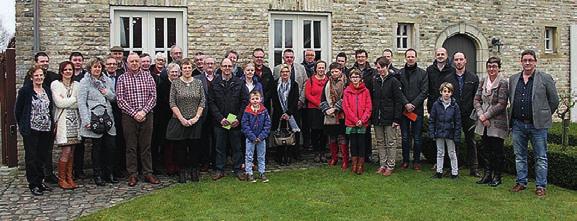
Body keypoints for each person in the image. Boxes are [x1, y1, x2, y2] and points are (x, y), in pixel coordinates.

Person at [509, 50, 559, 197]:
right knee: (519, 156)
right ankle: (521, 182)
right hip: (518, 124)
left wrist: (543, 115)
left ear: (535, 62)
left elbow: (554, 100)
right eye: (525, 60)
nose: (527, 63)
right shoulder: (513, 79)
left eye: (530, 60)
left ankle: (540, 186)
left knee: (541, 157)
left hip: (538, 126)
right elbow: (512, 100)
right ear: (521, 62)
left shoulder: (545, 78)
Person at [116, 52, 160, 187]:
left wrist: (143, 112)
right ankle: (133, 174)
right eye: (131, 62)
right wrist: (134, 113)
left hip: (147, 115)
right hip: (129, 117)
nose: (134, 64)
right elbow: (120, 99)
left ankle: (147, 172)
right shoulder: (122, 78)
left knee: (146, 146)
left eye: (136, 61)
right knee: (131, 146)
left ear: (140, 62)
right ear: (127, 64)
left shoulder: (148, 77)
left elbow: (153, 97)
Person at [77, 57, 118, 186]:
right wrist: (86, 120)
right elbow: (81, 102)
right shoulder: (85, 82)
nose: (97, 69)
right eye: (95, 67)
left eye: (99, 67)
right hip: (94, 118)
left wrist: (106, 92)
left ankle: (109, 173)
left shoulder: (106, 80)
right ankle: (98, 175)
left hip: (108, 118)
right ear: (90, 68)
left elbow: (113, 97)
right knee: (97, 148)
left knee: (110, 147)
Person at [166, 58, 205, 183]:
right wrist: (181, 118)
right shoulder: (175, 83)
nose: (187, 70)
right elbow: (172, 102)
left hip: (195, 120)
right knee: (180, 148)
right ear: (181, 70)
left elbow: (202, 101)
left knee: (195, 147)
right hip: (179, 120)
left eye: (189, 67)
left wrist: (196, 118)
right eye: (184, 68)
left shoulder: (198, 83)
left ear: (191, 69)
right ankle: (182, 171)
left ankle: (194, 170)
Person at [16, 66, 54, 196]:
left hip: (45, 128)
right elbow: (18, 110)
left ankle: (40, 181)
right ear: (31, 77)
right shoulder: (25, 91)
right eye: (36, 75)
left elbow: (50, 109)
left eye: (41, 75)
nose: (39, 78)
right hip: (31, 129)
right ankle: (33, 184)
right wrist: (22, 126)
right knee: (31, 158)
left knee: (42, 156)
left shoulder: (47, 90)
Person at [209, 58, 248, 181]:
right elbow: (211, 102)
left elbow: (244, 101)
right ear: (220, 67)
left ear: (233, 67)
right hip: (220, 121)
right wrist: (220, 118)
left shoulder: (239, 82)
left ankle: (238, 169)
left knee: (237, 147)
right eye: (224, 66)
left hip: (234, 121)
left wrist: (238, 118)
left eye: (229, 66)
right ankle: (219, 169)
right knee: (219, 147)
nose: (227, 68)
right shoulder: (214, 83)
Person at [473, 57, 509, 187]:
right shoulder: (483, 81)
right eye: (489, 66)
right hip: (483, 121)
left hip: (497, 121)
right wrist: (481, 115)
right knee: (485, 149)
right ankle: (487, 174)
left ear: (499, 68)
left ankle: (497, 176)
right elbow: (476, 100)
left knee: (497, 150)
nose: (491, 69)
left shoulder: (503, 83)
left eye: (494, 66)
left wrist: (487, 115)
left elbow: (501, 104)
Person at [442, 52, 480, 177]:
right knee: (453, 142)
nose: (459, 62)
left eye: (461, 59)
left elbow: (477, 97)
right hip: (453, 114)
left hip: (469, 115)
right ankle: (453, 168)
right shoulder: (448, 78)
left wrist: (475, 113)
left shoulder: (473, 78)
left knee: (471, 141)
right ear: (453, 62)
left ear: (465, 61)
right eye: (456, 59)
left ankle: (474, 169)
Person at [51, 61, 81, 189]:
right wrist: (73, 99)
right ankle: (62, 178)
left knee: (72, 152)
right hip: (63, 121)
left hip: (74, 121)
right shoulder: (56, 84)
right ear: (61, 71)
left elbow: (79, 103)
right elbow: (59, 103)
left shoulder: (77, 85)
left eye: (70, 69)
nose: (68, 72)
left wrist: (68, 100)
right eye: (66, 69)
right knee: (66, 151)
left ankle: (69, 177)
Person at [273, 49, 308, 161]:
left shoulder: (298, 73)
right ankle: (281, 155)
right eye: (287, 57)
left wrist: (292, 109)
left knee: (295, 131)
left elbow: (304, 85)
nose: (289, 59)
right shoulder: (276, 73)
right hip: (280, 111)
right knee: (281, 132)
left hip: (294, 109)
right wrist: (281, 112)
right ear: (283, 58)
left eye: (291, 57)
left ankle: (295, 153)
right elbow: (274, 97)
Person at [371, 57, 403, 176]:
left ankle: (390, 165)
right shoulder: (375, 80)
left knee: (391, 142)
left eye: (382, 67)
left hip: (390, 117)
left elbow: (398, 101)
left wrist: (396, 119)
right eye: (378, 68)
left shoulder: (394, 81)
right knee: (380, 141)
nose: (380, 70)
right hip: (377, 116)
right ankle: (382, 164)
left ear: (387, 66)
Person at [398, 48, 428, 171]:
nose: (410, 58)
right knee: (405, 137)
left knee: (417, 137)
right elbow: (398, 91)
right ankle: (405, 160)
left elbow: (425, 91)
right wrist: (406, 104)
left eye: (412, 56)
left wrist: (413, 104)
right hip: (404, 111)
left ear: (416, 58)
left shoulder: (423, 73)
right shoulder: (400, 73)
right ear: (405, 58)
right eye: (408, 56)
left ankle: (416, 161)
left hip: (417, 111)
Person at [31, 52, 58, 184]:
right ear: (36, 62)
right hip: (34, 124)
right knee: (35, 153)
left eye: (46, 61)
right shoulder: (29, 80)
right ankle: (36, 179)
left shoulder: (53, 76)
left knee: (47, 150)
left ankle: (48, 174)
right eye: (42, 61)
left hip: (48, 120)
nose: (45, 63)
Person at [429, 82, 461, 179]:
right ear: (441, 92)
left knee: (452, 153)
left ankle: (454, 172)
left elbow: (458, 122)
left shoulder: (454, 106)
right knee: (440, 152)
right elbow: (432, 120)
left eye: (449, 91)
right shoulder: (436, 105)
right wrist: (432, 132)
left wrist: (457, 135)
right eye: (444, 91)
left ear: (451, 93)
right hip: (439, 132)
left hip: (450, 133)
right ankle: (439, 171)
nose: (446, 93)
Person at [343, 69, 372, 174]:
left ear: (360, 78)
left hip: (362, 122)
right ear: (350, 78)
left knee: (361, 143)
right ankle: (354, 163)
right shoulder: (347, 91)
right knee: (353, 143)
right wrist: (355, 120)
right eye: (353, 77)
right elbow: (346, 107)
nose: (355, 79)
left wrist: (362, 120)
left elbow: (369, 107)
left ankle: (360, 164)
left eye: (357, 77)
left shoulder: (366, 91)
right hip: (351, 122)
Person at [272, 64, 300, 166]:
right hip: (279, 114)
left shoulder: (294, 84)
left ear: (290, 73)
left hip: (291, 114)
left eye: (287, 72)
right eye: (283, 72)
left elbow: (295, 99)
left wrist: (288, 113)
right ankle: (279, 156)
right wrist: (281, 113)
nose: (285, 73)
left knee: (291, 135)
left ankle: (289, 156)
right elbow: (274, 100)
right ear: (280, 73)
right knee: (280, 135)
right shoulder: (275, 84)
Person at [320, 62, 347, 170]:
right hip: (330, 115)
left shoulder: (346, 82)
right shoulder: (327, 83)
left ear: (341, 71)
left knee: (342, 137)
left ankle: (345, 160)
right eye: (332, 72)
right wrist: (326, 109)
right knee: (332, 137)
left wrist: (335, 108)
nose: (334, 73)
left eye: (336, 71)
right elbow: (322, 98)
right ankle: (334, 158)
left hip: (342, 114)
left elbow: (346, 97)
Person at [241, 91, 272, 183]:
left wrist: (261, 136)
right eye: (253, 99)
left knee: (261, 156)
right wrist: (253, 137)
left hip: (261, 138)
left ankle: (262, 172)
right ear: (250, 100)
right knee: (249, 156)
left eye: (257, 99)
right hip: (250, 138)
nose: (255, 101)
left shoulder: (264, 111)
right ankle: (249, 173)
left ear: (261, 99)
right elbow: (245, 125)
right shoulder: (247, 111)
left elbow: (267, 125)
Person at [352, 49, 376, 163]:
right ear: (356, 58)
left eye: (363, 56)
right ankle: (356, 156)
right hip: (354, 104)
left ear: (366, 58)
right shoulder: (352, 71)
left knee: (366, 131)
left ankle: (367, 154)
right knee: (355, 133)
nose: (361, 58)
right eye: (359, 57)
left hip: (367, 103)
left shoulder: (372, 72)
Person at [158, 63, 181, 175]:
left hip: (180, 118)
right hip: (166, 118)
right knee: (168, 143)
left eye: (176, 72)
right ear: (168, 73)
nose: (174, 74)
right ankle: (169, 165)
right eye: (172, 72)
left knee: (178, 143)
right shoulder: (163, 85)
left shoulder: (181, 84)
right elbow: (162, 102)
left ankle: (178, 164)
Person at [195, 57, 217, 172]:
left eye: (212, 63)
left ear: (215, 65)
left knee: (217, 138)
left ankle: (215, 161)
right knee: (203, 139)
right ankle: (204, 162)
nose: (209, 65)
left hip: (217, 114)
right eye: (207, 63)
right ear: (203, 65)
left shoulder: (219, 78)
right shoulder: (197, 79)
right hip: (203, 114)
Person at [305, 60, 329, 163]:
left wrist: (325, 106)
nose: (321, 69)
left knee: (324, 132)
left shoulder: (328, 80)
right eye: (319, 68)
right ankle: (316, 152)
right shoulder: (310, 80)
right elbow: (307, 94)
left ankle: (323, 152)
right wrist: (319, 104)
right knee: (315, 131)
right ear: (315, 69)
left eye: (323, 67)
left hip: (326, 109)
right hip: (314, 109)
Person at [427, 48, 455, 114]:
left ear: (446, 55)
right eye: (438, 54)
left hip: (448, 104)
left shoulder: (452, 70)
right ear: (435, 56)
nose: (440, 56)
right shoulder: (429, 70)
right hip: (433, 104)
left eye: (442, 54)